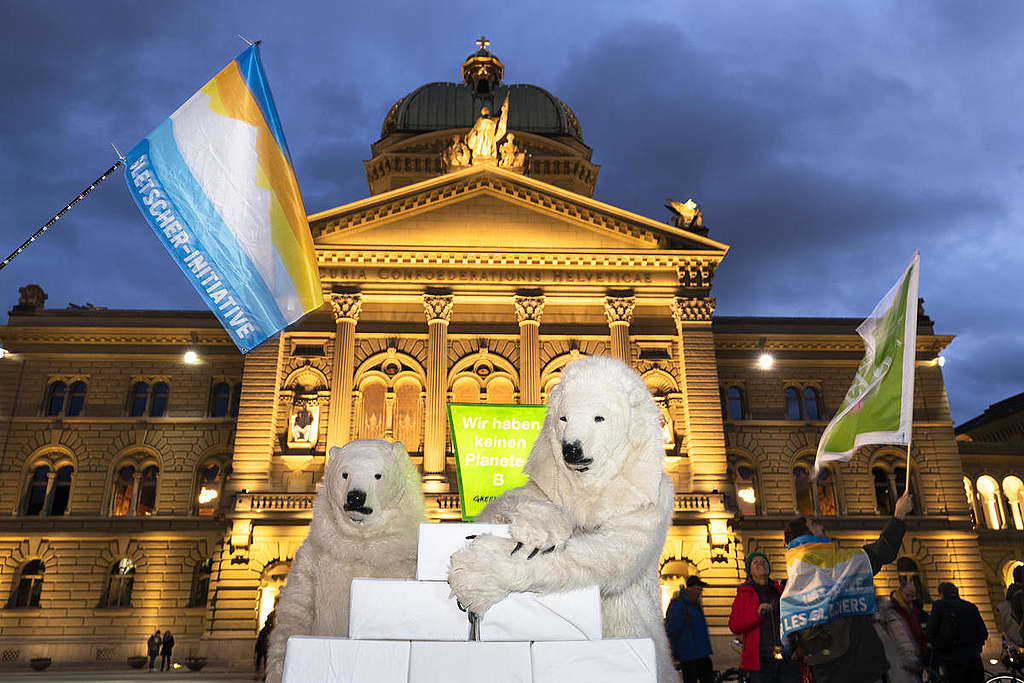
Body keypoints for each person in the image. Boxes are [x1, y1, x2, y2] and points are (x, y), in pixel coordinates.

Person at [782, 490, 913, 683]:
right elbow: (881, 551)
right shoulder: (830, 564)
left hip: (825, 667)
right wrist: (898, 516)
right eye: (814, 525)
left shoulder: (796, 573)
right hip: (853, 664)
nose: (822, 527)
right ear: (806, 535)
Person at [729, 550, 800, 683]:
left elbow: (794, 618)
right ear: (749, 571)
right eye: (755, 562)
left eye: (763, 561)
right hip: (760, 664)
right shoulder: (744, 594)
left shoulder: (780, 591)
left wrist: (798, 648)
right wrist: (756, 615)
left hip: (786, 660)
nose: (760, 564)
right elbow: (734, 626)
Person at [926, 582, 988, 683]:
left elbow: (930, 632)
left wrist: (937, 647)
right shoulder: (971, 606)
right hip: (973, 657)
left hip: (951, 658)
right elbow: (983, 633)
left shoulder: (939, 606)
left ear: (941, 594)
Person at [666, 575, 714, 683]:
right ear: (691, 588)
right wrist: (673, 652)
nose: (701, 591)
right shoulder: (679, 605)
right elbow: (673, 630)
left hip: (702, 654)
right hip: (688, 656)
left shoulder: (695, 604)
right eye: (699, 588)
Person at [878, 581, 927, 682]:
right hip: (900, 659)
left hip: (914, 655)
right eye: (908, 595)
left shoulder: (911, 608)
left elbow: (917, 630)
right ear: (900, 592)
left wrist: (922, 649)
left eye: (912, 596)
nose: (910, 598)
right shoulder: (892, 609)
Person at [255, 611, 276, 680]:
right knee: (264, 662)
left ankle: (259, 675)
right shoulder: (268, 630)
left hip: (262, 649)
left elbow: (259, 641)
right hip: (264, 649)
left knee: (261, 662)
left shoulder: (264, 631)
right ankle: (262, 675)